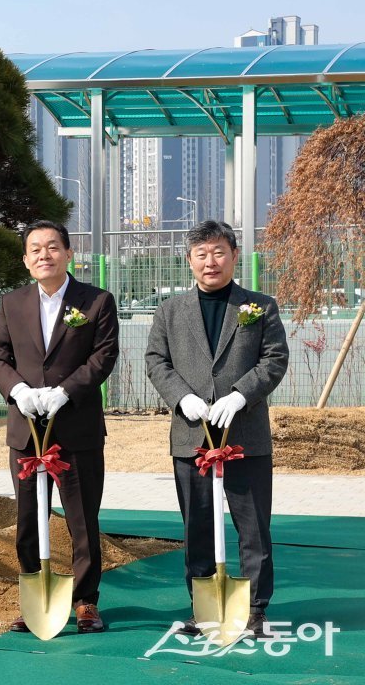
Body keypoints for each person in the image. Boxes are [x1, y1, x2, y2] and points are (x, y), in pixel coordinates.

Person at [145, 220, 288, 639]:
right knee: (198, 526)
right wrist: (181, 397)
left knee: (253, 527)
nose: (211, 262)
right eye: (202, 254)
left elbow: (274, 359)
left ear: (234, 256)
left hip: (246, 435)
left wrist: (241, 395)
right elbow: (156, 360)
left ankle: (255, 609)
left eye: (219, 252)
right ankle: (203, 605)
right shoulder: (171, 310)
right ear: (189, 261)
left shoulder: (260, 306)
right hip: (191, 436)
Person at [0, 219, 120, 634]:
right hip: (26, 429)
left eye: (52, 247)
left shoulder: (96, 301)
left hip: (75, 427)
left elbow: (103, 356)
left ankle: (85, 602)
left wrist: (65, 391)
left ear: (68, 254)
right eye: (35, 249)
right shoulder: (12, 303)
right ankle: (35, 596)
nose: (44, 255)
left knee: (83, 520)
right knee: (29, 519)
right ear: (26, 261)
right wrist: (19, 392)